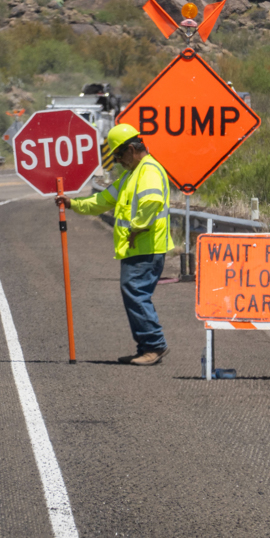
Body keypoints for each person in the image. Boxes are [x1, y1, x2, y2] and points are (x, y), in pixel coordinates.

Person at [55, 124, 174, 365]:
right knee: (134, 293)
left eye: (119, 155)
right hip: (137, 248)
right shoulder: (131, 175)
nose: (118, 161)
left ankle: (154, 346)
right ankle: (146, 347)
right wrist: (72, 204)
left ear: (131, 149)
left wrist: (135, 228)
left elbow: (152, 202)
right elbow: (102, 200)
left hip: (146, 247)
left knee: (136, 294)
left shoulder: (149, 170)